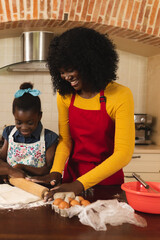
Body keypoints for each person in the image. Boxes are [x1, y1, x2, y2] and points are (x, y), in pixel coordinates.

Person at [30, 27, 135, 199]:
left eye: (70, 69)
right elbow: (65, 141)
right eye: (61, 72)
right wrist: (56, 172)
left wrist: (80, 184)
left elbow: (123, 154)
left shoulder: (120, 95)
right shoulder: (65, 96)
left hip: (107, 183)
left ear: (89, 63)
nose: (65, 77)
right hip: (72, 177)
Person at [0, 82, 58, 181]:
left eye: (30, 123)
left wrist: (22, 167)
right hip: (10, 187)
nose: (24, 127)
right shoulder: (9, 133)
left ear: (39, 116)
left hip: (36, 187)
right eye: (19, 122)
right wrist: (10, 171)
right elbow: (0, 160)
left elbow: (47, 169)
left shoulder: (49, 137)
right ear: (14, 115)